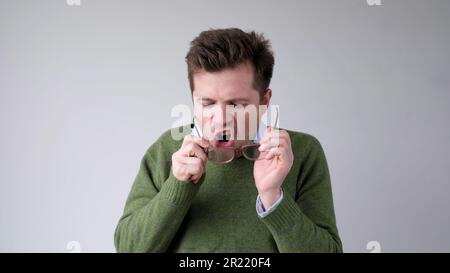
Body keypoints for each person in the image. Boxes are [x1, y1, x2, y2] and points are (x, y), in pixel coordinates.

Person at [114, 28, 342, 252]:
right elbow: (128, 248)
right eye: (207, 103)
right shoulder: (169, 149)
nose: (221, 119)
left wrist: (273, 198)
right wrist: (178, 186)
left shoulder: (301, 152)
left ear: (264, 101)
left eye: (237, 105)